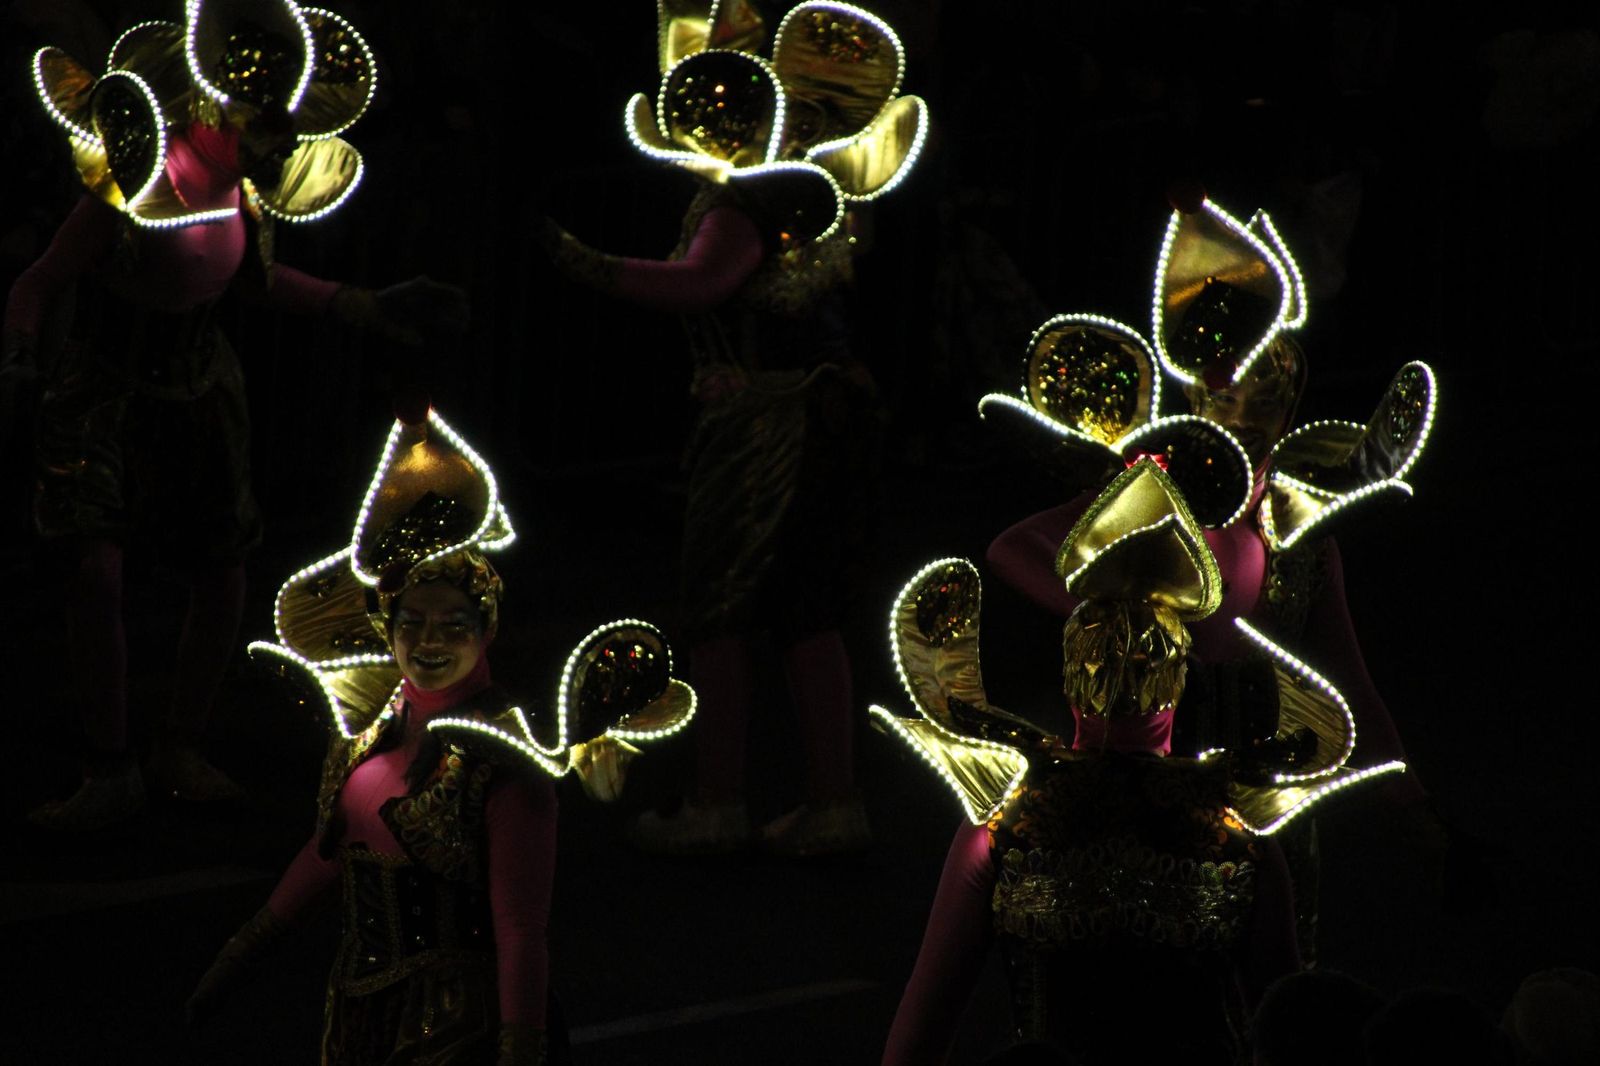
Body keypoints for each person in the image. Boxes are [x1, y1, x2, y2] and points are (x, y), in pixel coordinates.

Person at [7, 0, 466, 830]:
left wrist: (363, 304)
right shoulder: (138, 170)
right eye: (264, 128)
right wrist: (18, 353)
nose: (278, 146)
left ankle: (180, 745)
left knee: (224, 567)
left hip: (202, 386)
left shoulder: (246, 193)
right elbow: (39, 279)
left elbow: (257, 282)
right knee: (95, 570)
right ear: (221, 109)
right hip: (106, 384)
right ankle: (106, 765)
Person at [977, 192, 1441, 953]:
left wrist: (1416, 811)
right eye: (1219, 391)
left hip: (1259, 806)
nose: (1235, 407)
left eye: (1256, 392)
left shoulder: (1303, 534)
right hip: (1134, 790)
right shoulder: (1148, 505)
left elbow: (1352, 686)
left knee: (1267, 976)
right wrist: (1120, 612)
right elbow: (1012, 548)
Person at [187, 403, 695, 1064]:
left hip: (458, 1028)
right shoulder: (364, 734)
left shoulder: (504, 766)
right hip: (356, 1010)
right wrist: (245, 948)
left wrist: (520, 1045)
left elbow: (519, 930)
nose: (428, 642)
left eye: (452, 624)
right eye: (411, 623)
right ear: (386, 627)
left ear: (486, 629)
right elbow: (327, 853)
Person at [538, 1, 928, 855]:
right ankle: (833, 802)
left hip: (763, 423)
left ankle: (717, 804)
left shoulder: (749, 201)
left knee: (720, 610)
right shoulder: (815, 196)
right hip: (822, 411)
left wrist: (581, 262)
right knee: (805, 612)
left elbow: (698, 284)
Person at [875, 457, 1404, 1064]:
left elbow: (920, 1031)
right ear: (1179, 683)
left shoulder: (1001, 828)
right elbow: (1287, 1029)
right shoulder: (1238, 833)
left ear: (1072, 678)